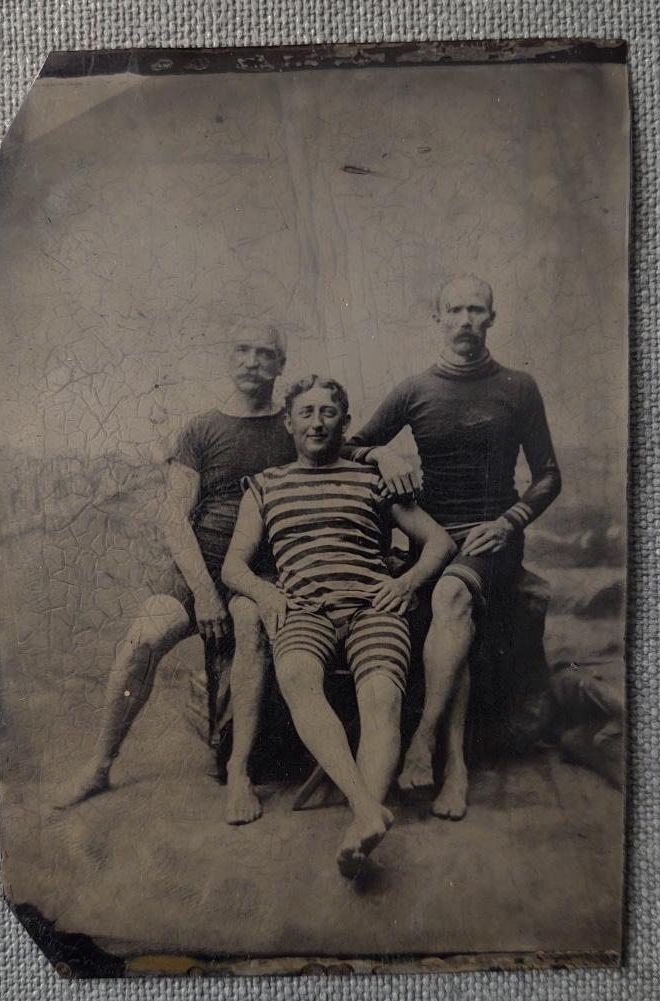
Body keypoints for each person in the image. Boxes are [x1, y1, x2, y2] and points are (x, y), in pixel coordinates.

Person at [55, 325, 296, 822]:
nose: (252, 361)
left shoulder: (295, 425)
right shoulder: (201, 429)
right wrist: (203, 594)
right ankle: (99, 765)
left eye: (265, 353)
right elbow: (173, 516)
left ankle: (239, 774)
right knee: (143, 638)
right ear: (229, 358)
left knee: (248, 636)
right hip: (199, 569)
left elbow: (338, 454)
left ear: (280, 365)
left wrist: (378, 452)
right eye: (242, 348)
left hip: (259, 573)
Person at [343, 276, 562, 819]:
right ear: (436, 317)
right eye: (455, 309)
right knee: (450, 613)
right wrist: (383, 458)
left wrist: (510, 521)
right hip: (434, 536)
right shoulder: (415, 389)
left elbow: (549, 475)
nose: (466, 319)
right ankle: (456, 767)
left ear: (492, 318)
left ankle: (424, 742)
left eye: (477, 310)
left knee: (450, 599)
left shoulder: (518, 386)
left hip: (492, 535)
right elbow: (353, 445)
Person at [221, 375, 456, 876]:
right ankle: (366, 809)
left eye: (328, 412)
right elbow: (233, 566)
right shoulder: (266, 486)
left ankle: (361, 827)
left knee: (381, 699)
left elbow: (439, 541)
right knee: (298, 679)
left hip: (374, 607)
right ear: (288, 423)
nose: (317, 421)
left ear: (345, 423)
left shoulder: (374, 480)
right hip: (303, 608)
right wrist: (266, 593)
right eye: (305, 412)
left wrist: (408, 582)